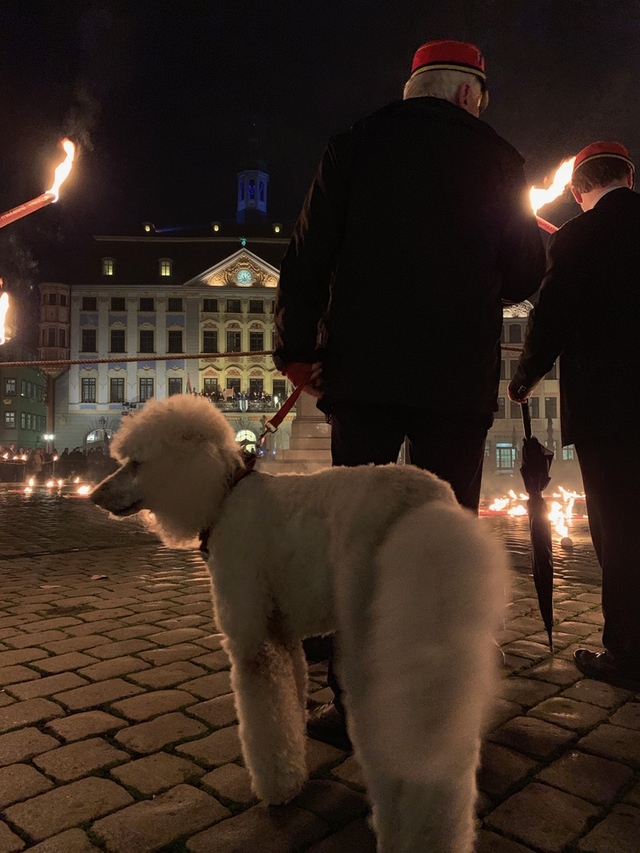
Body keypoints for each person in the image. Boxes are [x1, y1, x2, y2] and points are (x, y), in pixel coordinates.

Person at [274, 39, 545, 746]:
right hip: (454, 383)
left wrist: (297, 351)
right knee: (444, 540)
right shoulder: (500, 159)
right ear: (467, 94)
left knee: (356, 537)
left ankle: (354, 703)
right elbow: (523, 273)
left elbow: (307, 253)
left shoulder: (354, 144)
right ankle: (435, 703)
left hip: (362, 376)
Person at [509, 141, 640, 691]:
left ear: (578, 189)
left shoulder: (578, 237)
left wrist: (526, 376)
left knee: (620, 528)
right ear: (627, 178)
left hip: (612, 406)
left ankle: (628, 652)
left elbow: (555, 313)